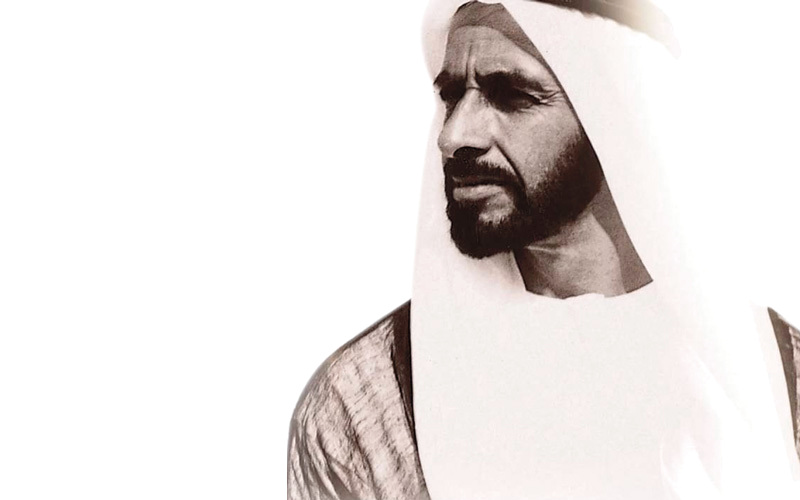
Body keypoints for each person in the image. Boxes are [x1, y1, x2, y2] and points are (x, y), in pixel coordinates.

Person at [288, 1, 800, 499]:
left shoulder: (785, 378)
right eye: (452, 96)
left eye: (511, 95)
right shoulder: (368, 407)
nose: (454, 135)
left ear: (615, 110)